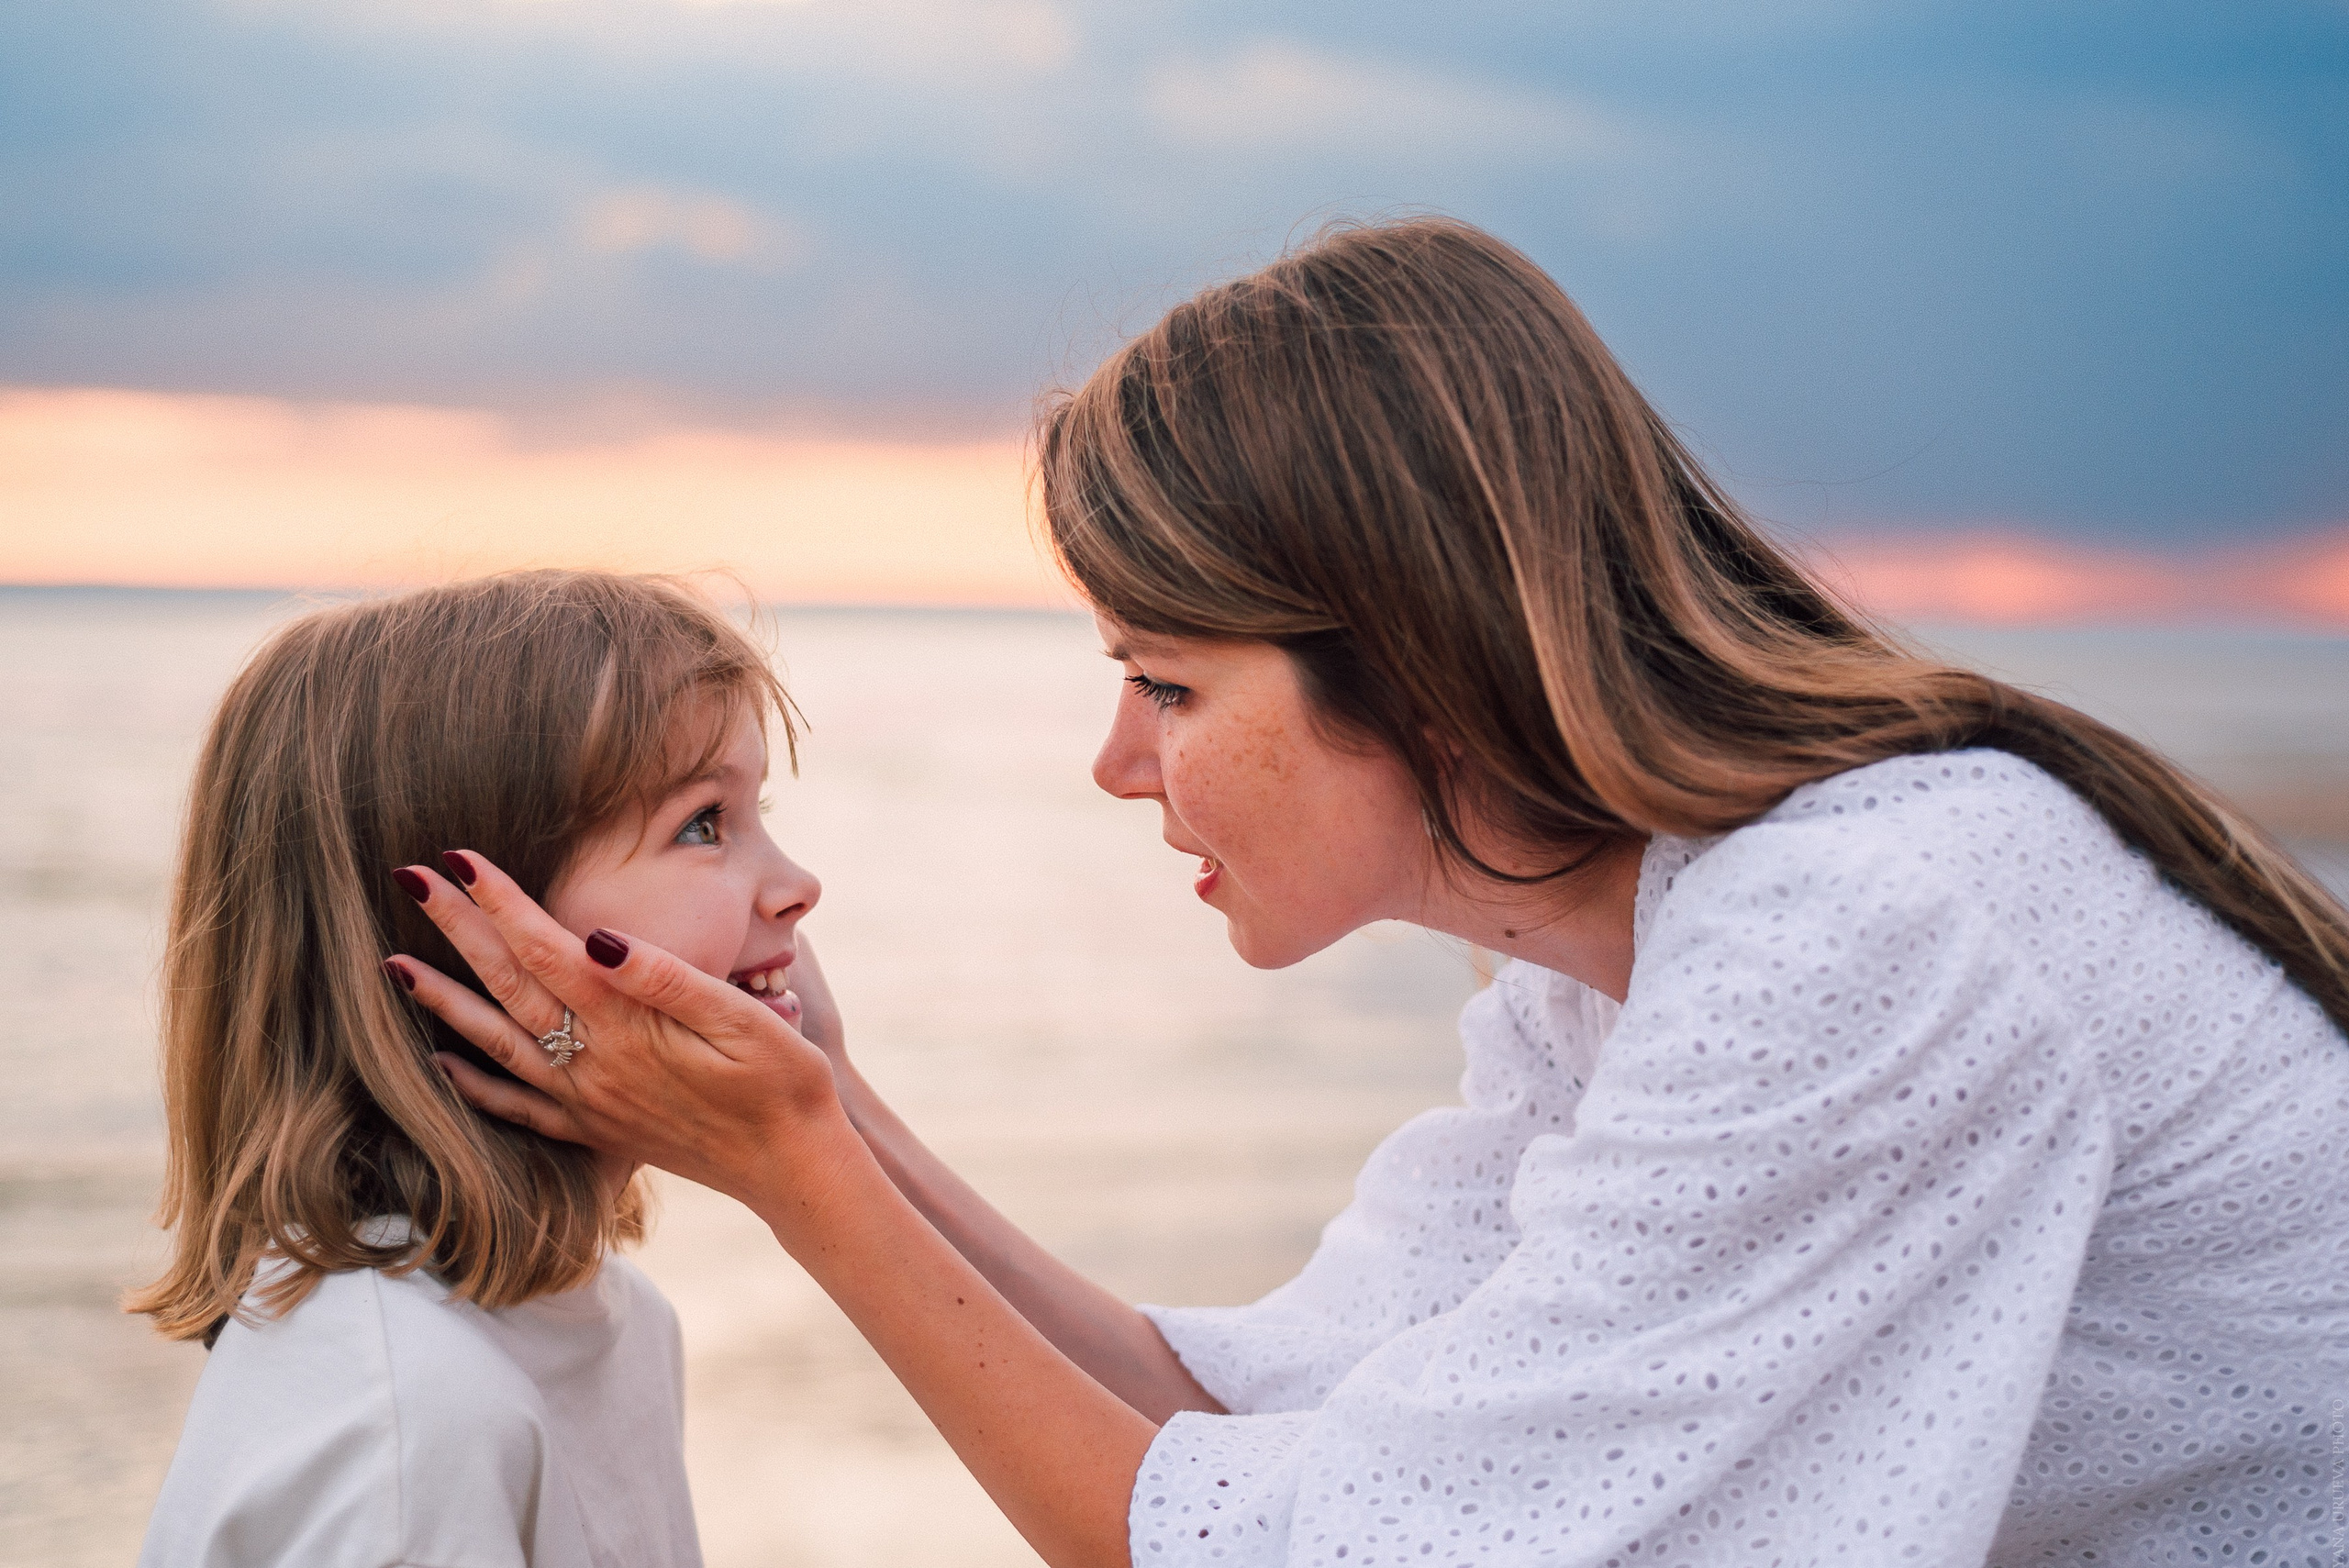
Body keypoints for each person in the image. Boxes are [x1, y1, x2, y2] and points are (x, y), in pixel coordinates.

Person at [398, 219, 2349, 1567]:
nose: (1119, 760)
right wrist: (836, 1103)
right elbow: (1248, 1416)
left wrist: (801, 1179)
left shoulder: (1857, 936)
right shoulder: (1617, 974)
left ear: (1412, 658)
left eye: (1165, 681)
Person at [132, 570, 823, 1568]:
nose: (799, 887)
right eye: (703, 824)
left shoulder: (618, 1321)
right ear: (465, 926)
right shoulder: (406, 1416)